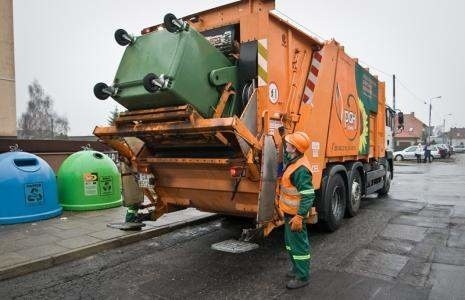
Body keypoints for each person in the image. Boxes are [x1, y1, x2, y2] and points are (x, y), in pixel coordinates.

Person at [275, 131, 314, 289]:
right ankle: (296, 268)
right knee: (290, 244)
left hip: (295, 215)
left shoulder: (301, 170)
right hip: (289, 212)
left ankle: (303, 276)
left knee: (299, 246)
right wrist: (284, 133)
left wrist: (299, 216)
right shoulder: (294, 159)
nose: (287, 145)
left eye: (289, 144)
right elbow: (285, 151)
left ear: (295, 148)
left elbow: (308, 195)